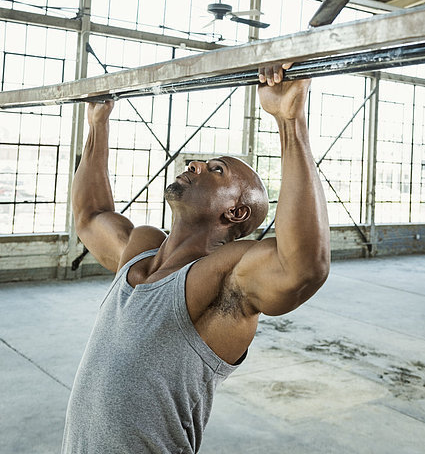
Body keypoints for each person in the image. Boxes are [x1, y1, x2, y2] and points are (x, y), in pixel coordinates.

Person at [61, 62, 330, 454]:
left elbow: (303, 267)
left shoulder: (225, 279)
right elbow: (90, 216)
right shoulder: (142, 250)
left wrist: (290, 121)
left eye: (216, 170)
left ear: (235, 213)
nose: (196, 164)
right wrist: (98, 121)